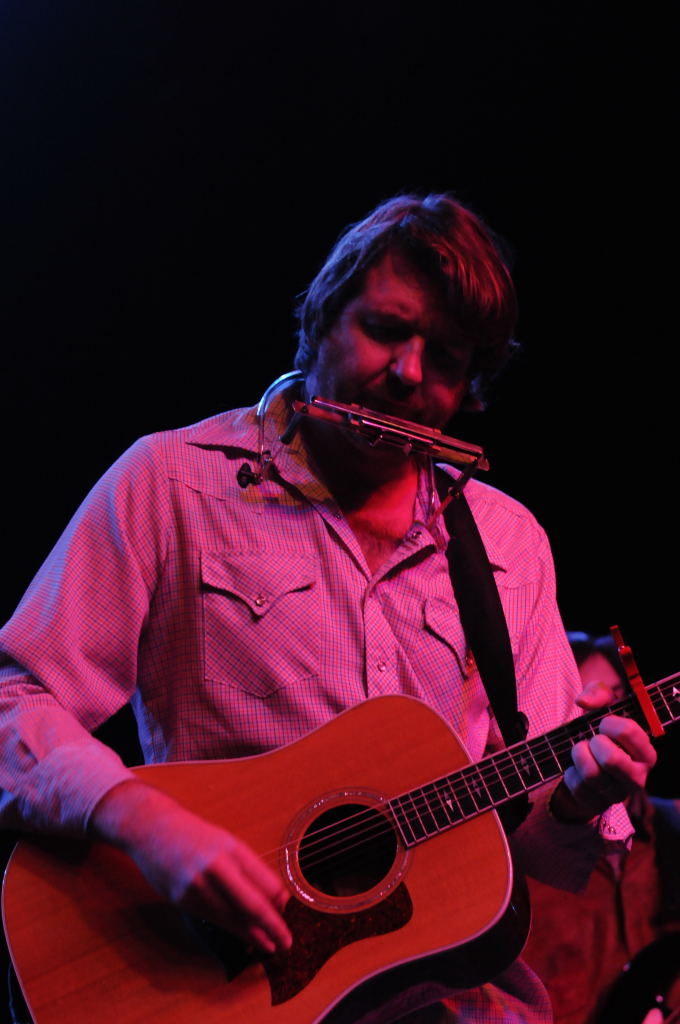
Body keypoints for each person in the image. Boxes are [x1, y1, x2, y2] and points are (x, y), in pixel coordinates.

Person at [0, 194, 657, 1023]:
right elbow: (13, 702)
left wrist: (573, 803)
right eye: (386, 330)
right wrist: (144, 823)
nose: (409, 374)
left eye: (446, 359)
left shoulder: (507, 544)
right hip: (224, 985)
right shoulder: (170, 485)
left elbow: (535, 858)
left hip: (447, 996)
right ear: (321, 320)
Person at [523, 632, 680, 1024]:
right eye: (586, 714)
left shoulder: (670, 825)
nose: (607, 728)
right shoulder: (525, 856)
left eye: (618, 703)